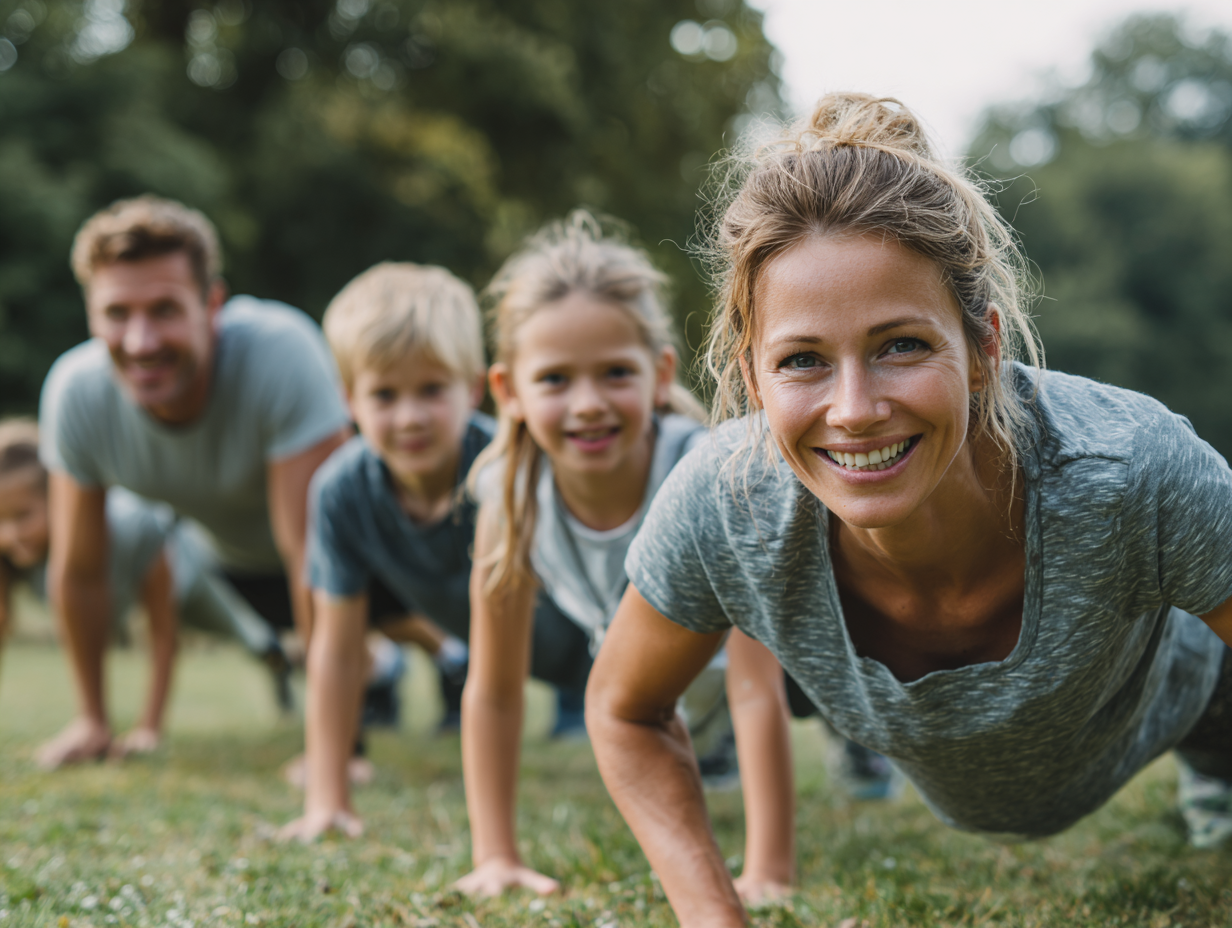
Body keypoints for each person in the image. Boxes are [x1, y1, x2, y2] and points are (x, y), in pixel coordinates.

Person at [585, 92, 1232, 927]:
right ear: (753, 379)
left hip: (1182, 698)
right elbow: (623, 710)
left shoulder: (1132, 470)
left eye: (901, 345)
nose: (854, 408)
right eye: (804, 360)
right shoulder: (725, 505)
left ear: (983, 349)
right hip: (950, 771)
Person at [456, 212, 774, 899]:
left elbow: (757, 682)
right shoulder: (508, 496)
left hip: (774, 660)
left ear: (660, 374)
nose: (589, 404)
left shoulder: (707, 475)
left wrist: (769, 866)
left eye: (614, 373)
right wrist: (495, 854)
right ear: (508, 393)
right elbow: (495, 687)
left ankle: (857, 747)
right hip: (649, 680)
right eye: (556, 380)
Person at [278, 262, 592, 841]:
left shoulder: (516, 464)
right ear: (349, 399)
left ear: (474, 387)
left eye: (431, 389)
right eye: (385, 394)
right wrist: (327, 796)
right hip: (512, 660)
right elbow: (338, 652)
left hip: (602, 648)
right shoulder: (342, 491)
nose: (410, 416)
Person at [37, 195, 352, 768]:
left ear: (212, 303)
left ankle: (395, 672)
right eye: (115, 314)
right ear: (89, 313)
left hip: (355, 569)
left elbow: (315, 554)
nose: (140, 342)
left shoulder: (281, 354)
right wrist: (93, 720)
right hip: (231, 574)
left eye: (164, 310)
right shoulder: (75, 392)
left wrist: (334, 747)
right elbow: (81, 572)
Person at [0, 419, 298, 760]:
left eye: (22, 515)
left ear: (59, 499)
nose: (10, 534)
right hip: (122, 595)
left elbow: (162, 636)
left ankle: (277, 661)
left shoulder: (129, 530)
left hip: (187, 572)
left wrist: (149, 728)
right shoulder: (9, 559)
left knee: (249, 634)